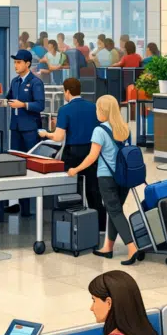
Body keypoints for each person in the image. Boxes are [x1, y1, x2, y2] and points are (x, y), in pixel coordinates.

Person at [67, 96, 140, 264]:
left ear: (103, 111)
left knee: (114, 211)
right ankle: (108, 247)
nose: (96, 112)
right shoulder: (124, 128)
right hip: (124, 177)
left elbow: (92, 157)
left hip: (107, 177)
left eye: (98, 109)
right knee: (115, 211)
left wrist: (75, 169)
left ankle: (131, 247)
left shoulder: (99, 131)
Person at [39, 78, 104, 234]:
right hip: (91, 152)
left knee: (72, 190)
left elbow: (59, 137)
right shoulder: (93, 107)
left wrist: (46, 133)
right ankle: (101, 226)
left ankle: (74, 223)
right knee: (93, 190)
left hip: (73, 154)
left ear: (67, 91)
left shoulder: (64, 110)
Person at [0, 49, 44, 223]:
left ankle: (28, 208)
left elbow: (40, 105)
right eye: (15, 62)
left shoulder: (35, 82)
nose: (16, 65)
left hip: (29, 129)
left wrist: (24, 104)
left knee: (29, 167)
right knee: (16, 166)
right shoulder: (15, 81)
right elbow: (9, 98)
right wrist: (3, 102)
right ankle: (19, 204)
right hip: (16, 128)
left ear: (27, 64)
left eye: (19, 62)